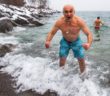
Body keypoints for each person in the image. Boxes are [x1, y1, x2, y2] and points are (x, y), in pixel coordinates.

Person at [45, 4, 93, 74]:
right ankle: (61, 74)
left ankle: (83, 76)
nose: (68, 14)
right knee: (62, 58)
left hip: (76, 41)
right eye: (66, 12)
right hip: (65, 41)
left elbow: (89, 34)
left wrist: (88, 43)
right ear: (63, 13)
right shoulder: (59, 22)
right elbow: (52, 32)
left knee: (81, 59)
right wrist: (48, 41)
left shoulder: (79, 21)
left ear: (74, 12)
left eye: (71, 11)